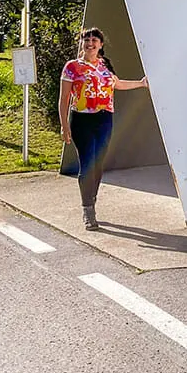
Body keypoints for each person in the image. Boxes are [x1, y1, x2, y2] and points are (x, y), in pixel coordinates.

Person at [58, 27, 148, 231]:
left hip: (104, 119)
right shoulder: (72, 67)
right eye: (86, 40)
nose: (90, 44)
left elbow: (117, 84)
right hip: (82, 119)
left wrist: (141, 84)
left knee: (98, 164)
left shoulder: (104, 65)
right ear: (82, 43)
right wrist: (64, 125)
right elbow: (64, 99)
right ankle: (88, 210)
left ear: (101, 44)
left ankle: (91, 197)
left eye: (94, 40)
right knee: (87, 163)